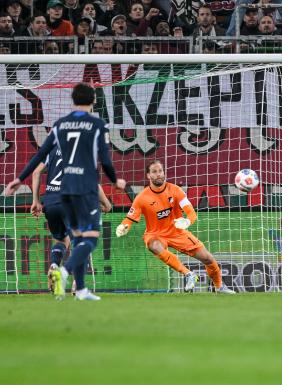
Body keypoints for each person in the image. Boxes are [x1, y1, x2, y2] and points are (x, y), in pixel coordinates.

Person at [5, 83, 126, 301]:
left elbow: (40, 154)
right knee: (89, 240)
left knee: (75, 239)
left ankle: (80, 290)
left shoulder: (60, 125)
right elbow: (105, 161)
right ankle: (64, 271)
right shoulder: (96, 124)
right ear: (94, 101)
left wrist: (18, 178)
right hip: (83, 192)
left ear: (72, 100)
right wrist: (116, 180)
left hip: (61, 194)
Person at [115, 160, 235, 294]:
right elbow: (130, 218)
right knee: (153, 245)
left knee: (207, 258)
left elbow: (191, 213)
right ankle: (188, 274)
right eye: (154, 172)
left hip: (177, 232)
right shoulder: (142, 197)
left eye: (160, 171)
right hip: (156, 234)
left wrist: (187, 221)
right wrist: (124, 226)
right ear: (148, 176)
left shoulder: (176, 190)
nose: (158, 174)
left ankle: (219, 286)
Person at [30, 147, 112, 293]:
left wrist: (36, 201)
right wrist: (106, 202)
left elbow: (36, 173)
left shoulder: (52, 150)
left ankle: (54, 265)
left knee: (62, 240)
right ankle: (77, 284)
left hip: (50, 204)